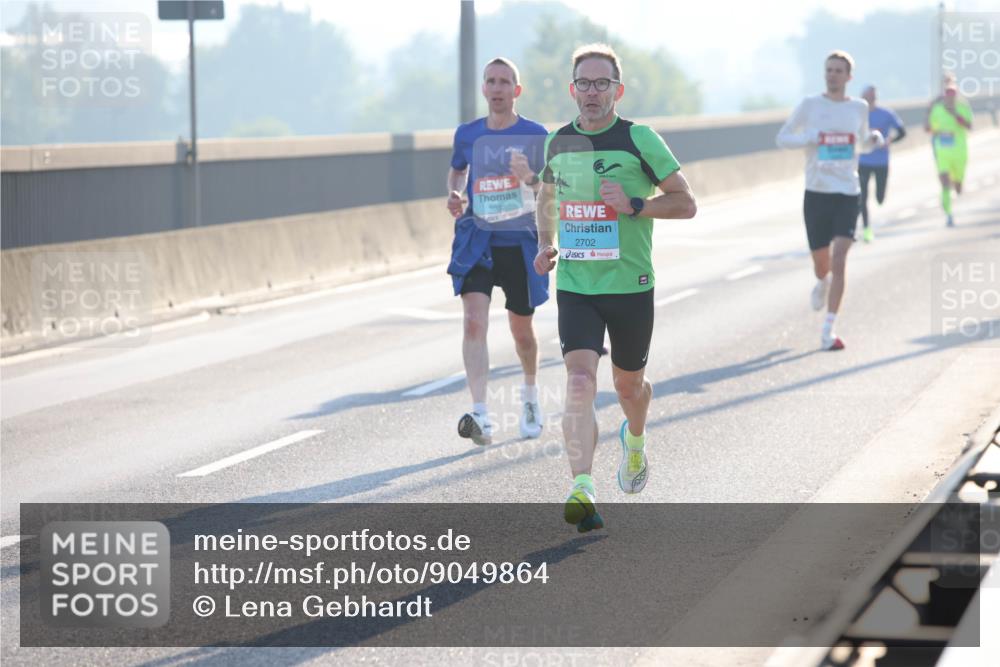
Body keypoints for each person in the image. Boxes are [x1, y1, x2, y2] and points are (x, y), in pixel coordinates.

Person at [533, 44, 696, 531]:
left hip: (630, 285)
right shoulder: (557, 142)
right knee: (580, 381)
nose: (592, 91)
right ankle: (582, 485)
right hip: (577, 284)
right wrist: (544, 244)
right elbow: (546, 198)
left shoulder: (639, 138)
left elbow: (686, 203)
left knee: (628, 386)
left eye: (602, 83)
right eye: (584, 82)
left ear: (617, 91)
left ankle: (636, 440)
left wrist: (635, 205)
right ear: (572, 89)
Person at [447, 57, 549, 445]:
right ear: (484, 89)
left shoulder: (536, 134)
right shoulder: (467, 134)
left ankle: (530, 397)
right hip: (479, 240)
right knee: (474, 321)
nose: (498, 88)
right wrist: (455, 193)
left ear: (516, 91)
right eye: (491, 81)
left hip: (520, 243)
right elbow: (457, 169)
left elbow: (553, 190)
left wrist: (530, 178)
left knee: (521, 329)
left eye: (505, 81)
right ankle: (481, 414)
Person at [776, 50, 884, 351]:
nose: (832, 75)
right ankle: (821, 282)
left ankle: (828, 330)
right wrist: (810, 137)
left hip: (848, 191)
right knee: (821, 264)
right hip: (817, 193)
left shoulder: (859, 108)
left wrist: (873, 139)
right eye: (829, 70)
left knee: (840, 259)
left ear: (849, 77)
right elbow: (782, 138)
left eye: (838, 71)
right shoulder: (811, 105)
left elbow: (861, 141)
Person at [857, 85, 906, 242]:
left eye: (872, 97)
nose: (870, 99)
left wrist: (890, 140)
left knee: (879, 198)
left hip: (881, 162)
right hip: (863, 161)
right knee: (862, 197)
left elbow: (902, 132)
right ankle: (866, 229)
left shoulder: (886, 114)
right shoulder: (857, 115)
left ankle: (880, 196)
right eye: (867, 97)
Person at [926, 80, 972, 227]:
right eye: (948, 93)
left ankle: (957, 183)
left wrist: (956, 115)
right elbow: (929, 128)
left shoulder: (963, 107)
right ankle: (948, 212)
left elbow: (969, 126)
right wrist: (935, 129)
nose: (950, 96)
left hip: (959, 151)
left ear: (956, 94)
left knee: (958, 186)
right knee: (945, 182)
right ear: (944, 95)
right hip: (943, 150)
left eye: (953, 93)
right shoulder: (937, 108)